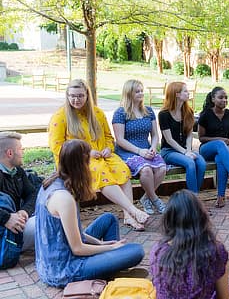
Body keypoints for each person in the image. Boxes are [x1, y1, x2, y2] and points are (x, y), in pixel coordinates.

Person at [35, 139, 145, 287]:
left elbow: (67, 233)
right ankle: (110, 273)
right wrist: (110, 248)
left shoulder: (51, 182)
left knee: (109, 219)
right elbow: (78, 248)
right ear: (82, 165)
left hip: (60, 253)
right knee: (136, 251)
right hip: (65, 269)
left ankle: (110, 269)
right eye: (89, 161)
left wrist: (100, 243)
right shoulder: (64, 198)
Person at [49, 79, 149, 231]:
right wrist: (86, 153)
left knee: (123, 170)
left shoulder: (97, 113)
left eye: (80, 96)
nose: (76, 99)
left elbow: (109, 137)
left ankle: (128, 216)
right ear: (67, 96)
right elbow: (57, 147)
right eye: (72, 96)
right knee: (102, 173)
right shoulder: (60, 116)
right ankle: (132, 210)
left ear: (87, 95)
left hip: (103, 156)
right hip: (76, 160)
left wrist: (109, 148)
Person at [150, 189, 229, 299]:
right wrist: (225, 267)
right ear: (201, 217)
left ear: (168, 220)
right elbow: (224, 297)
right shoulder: (214, 251)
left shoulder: (158, 250)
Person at [112, 79, 167, 215]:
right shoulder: (120, 113)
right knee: (146, 170)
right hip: (128, 151)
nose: (141, 93)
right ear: (129, 93)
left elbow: (155, 135)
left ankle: (145, 198)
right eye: (137, 91)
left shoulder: (148, 111)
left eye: (142, 90)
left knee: (161, 168)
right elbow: (120, 140)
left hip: (146, 149)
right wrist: (139, 151)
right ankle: (154, 199)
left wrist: (153, 147)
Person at [197, 87, 229, 208]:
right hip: (206, 149)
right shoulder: (206, 115)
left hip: (223, 151)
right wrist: (220, 140)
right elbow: (201, 138)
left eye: (226, 98)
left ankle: (221, 197)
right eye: (221, 97)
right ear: (213, 99)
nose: (224, 100)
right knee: (221, 145)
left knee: (221, 160)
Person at [158, 81, 206, 193]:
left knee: (201, 163)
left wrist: (188, 150)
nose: (188, 93)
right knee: (190, 163)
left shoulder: (188, 111)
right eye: (185, 91)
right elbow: (169, 140)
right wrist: (185, 153)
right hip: (169, 151)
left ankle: (193, 196)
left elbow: (189, 134)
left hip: (185, 150)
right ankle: (194, 198)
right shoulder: (164, 114)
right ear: (177, 94)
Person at [0, 132, 36, 251]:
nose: (23, 153)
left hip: (16, 226)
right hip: (4, 238)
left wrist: (24, 211)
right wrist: (6, 218)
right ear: (10, 153)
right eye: (20, 149)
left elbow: (32, 193)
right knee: (46, 223)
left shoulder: (17, 171)